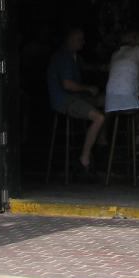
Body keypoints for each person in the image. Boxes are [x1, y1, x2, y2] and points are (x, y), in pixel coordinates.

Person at [46, 27, 106, 178]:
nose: (83, 43)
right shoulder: (63, 57)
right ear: (70, 40)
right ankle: (84, 159)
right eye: (80, 39)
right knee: (99, 118)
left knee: (107, 101)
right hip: (64, 100)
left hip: (76, 97)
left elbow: (85, 66)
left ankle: (100, 140)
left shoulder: (74, 56)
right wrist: (88, 88)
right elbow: (67, 85)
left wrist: (103, 67)